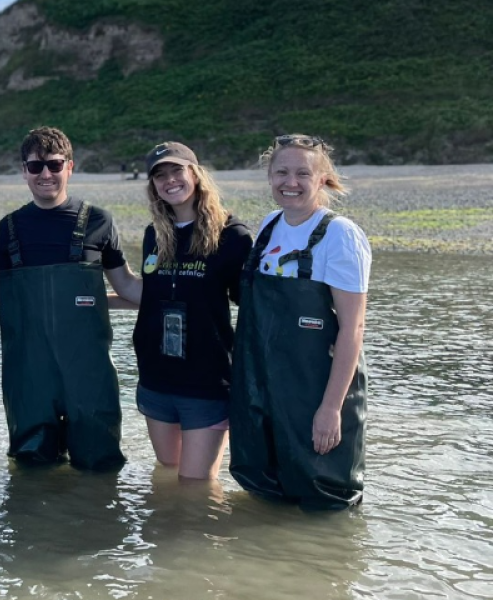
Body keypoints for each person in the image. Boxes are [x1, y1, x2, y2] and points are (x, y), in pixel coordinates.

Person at [0, 126, 139, 471]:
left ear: (70, 166)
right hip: (29, 376)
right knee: (31, 470)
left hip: (88, 373)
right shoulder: (9, 227)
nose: (45, 174)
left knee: (100, 465)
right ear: (24, 171)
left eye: (54, 165)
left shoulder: (99, 221)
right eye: (35, 166)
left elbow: (126, 285)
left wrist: (183, 291)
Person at [229, 134, 371, 510]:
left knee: (324, 503)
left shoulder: (340, 235)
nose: (289, 183)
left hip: (315, 393)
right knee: (265, 497)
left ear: (322, 179)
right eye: (281, 172)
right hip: (265, 392)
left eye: (302, 174)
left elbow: (353, 329)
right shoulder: (269, 225)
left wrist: (330, 409)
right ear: (269, 177)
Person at [127, 142, 252, 480]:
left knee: (196, 486)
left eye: (176, 170)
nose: (169, 180)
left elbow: (254, 308)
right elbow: (150, 293)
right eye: (160, 175)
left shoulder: (232, 236)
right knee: (167, 473)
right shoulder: (155, 235)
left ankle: (202, 536)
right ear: (152, 185)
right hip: (156, 378)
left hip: (206, 382)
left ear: (195, 174)